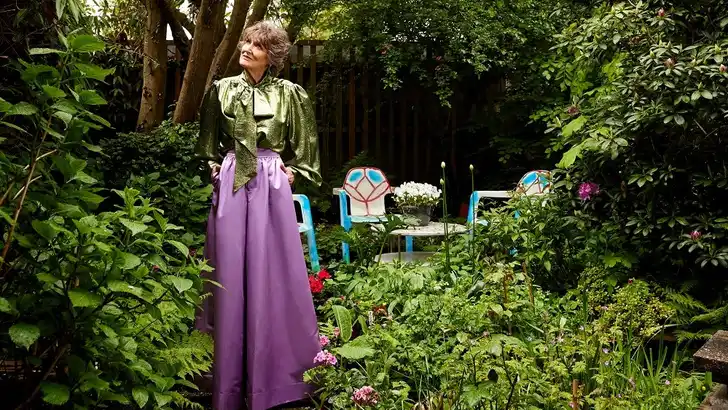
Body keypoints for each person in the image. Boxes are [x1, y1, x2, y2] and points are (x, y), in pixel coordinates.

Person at [194, 20, 322, 410]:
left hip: (270, 182)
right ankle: (227, 383)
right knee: (228, 271)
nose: (247, 47)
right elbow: (206, 144)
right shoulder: (220, 90)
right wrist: (215, 170)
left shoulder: (290, 94)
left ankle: (276, 381)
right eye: (246, 40)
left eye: (257, 44)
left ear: (273, 55)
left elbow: (307, 149)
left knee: (274, 272)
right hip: (233, 182)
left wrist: (292, 173)